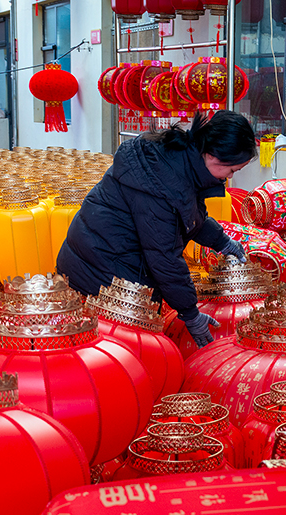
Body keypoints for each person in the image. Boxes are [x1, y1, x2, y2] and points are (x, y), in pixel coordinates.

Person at [57, 110, 257, 348]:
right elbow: (164, 257)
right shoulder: (163, 181)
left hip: (101, 258)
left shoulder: (180, 160)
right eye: (232, 170)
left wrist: (222, 242)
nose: (229, 177)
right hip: (101, 276)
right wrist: (191, 314)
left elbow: (190, 217)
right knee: (121, 354)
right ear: (213, 156)